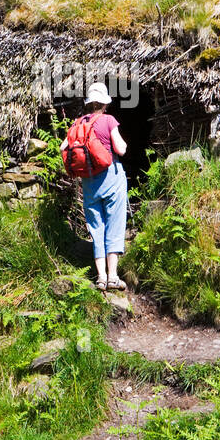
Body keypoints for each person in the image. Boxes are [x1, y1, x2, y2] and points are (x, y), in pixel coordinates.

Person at [60, 82, 129, 291]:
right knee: (114, 225)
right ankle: (113, 277)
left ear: (89, 104)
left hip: (89, 183)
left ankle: (100, 277)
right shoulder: (108, 120)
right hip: (112, 179)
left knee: (96, 228)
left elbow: (64, 147)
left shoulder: (78, 123)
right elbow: (120, 148)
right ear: (105, 104)